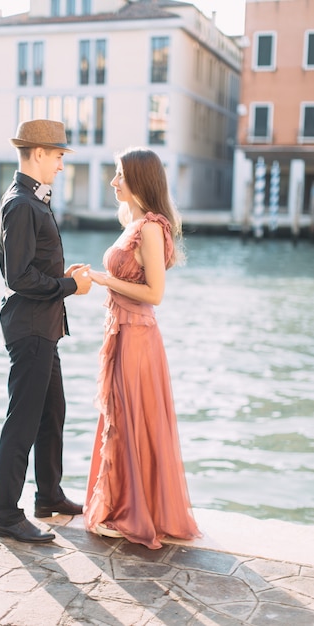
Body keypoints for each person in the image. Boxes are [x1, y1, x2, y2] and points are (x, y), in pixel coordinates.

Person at [83, 147, 200, 549]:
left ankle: (133, 511)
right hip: (121, 331)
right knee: (121, 415)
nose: (114, 182)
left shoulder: (150, 227)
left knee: (130, 417)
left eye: (120, 175)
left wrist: (102, 279)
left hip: (136, 335)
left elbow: (155, 293)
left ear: (139, 180)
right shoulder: (131, 221)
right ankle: (122, 505)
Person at [0, 119, 92, 543]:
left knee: (53, 414)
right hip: (31, 329)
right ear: (36, 154)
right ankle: (6, 516)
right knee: (24, 421)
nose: (61, 165)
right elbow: (18, 276)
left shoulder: (33, 202)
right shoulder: (21, 204)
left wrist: (61, 276)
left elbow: (34, 268)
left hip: (44, 328)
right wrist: (71, 286)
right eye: (57, 156)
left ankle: (48, 496)